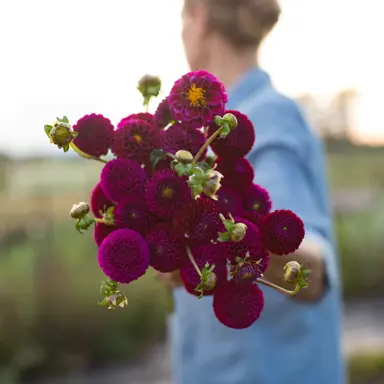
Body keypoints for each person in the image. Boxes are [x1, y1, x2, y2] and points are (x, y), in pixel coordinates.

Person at [156, 0, 345, 383]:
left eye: (182, 19)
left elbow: (313, 270)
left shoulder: (263, 118)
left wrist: (208, 232)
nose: (181, 35)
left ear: (202, 19)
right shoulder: (211, 131)